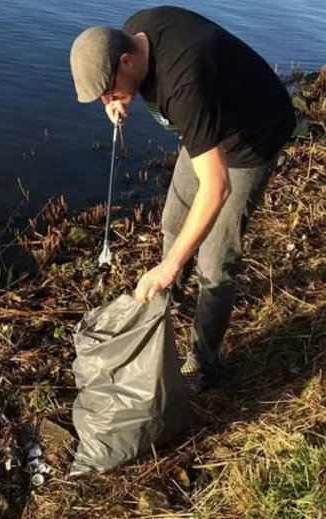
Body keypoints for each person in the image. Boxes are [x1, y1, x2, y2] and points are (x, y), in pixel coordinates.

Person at [69, 6, 296, 393]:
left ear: (126, 60)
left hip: (250, 138)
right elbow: (181, 107)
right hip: (209, 126)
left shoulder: (183, 85)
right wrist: (118, 99)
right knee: (174, 221)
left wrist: (169, 266)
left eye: (109, 90)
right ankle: (168, 302)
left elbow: (217, 187)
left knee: (215, 263)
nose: (109, 99)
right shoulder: (135, 32)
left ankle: (203, 363)